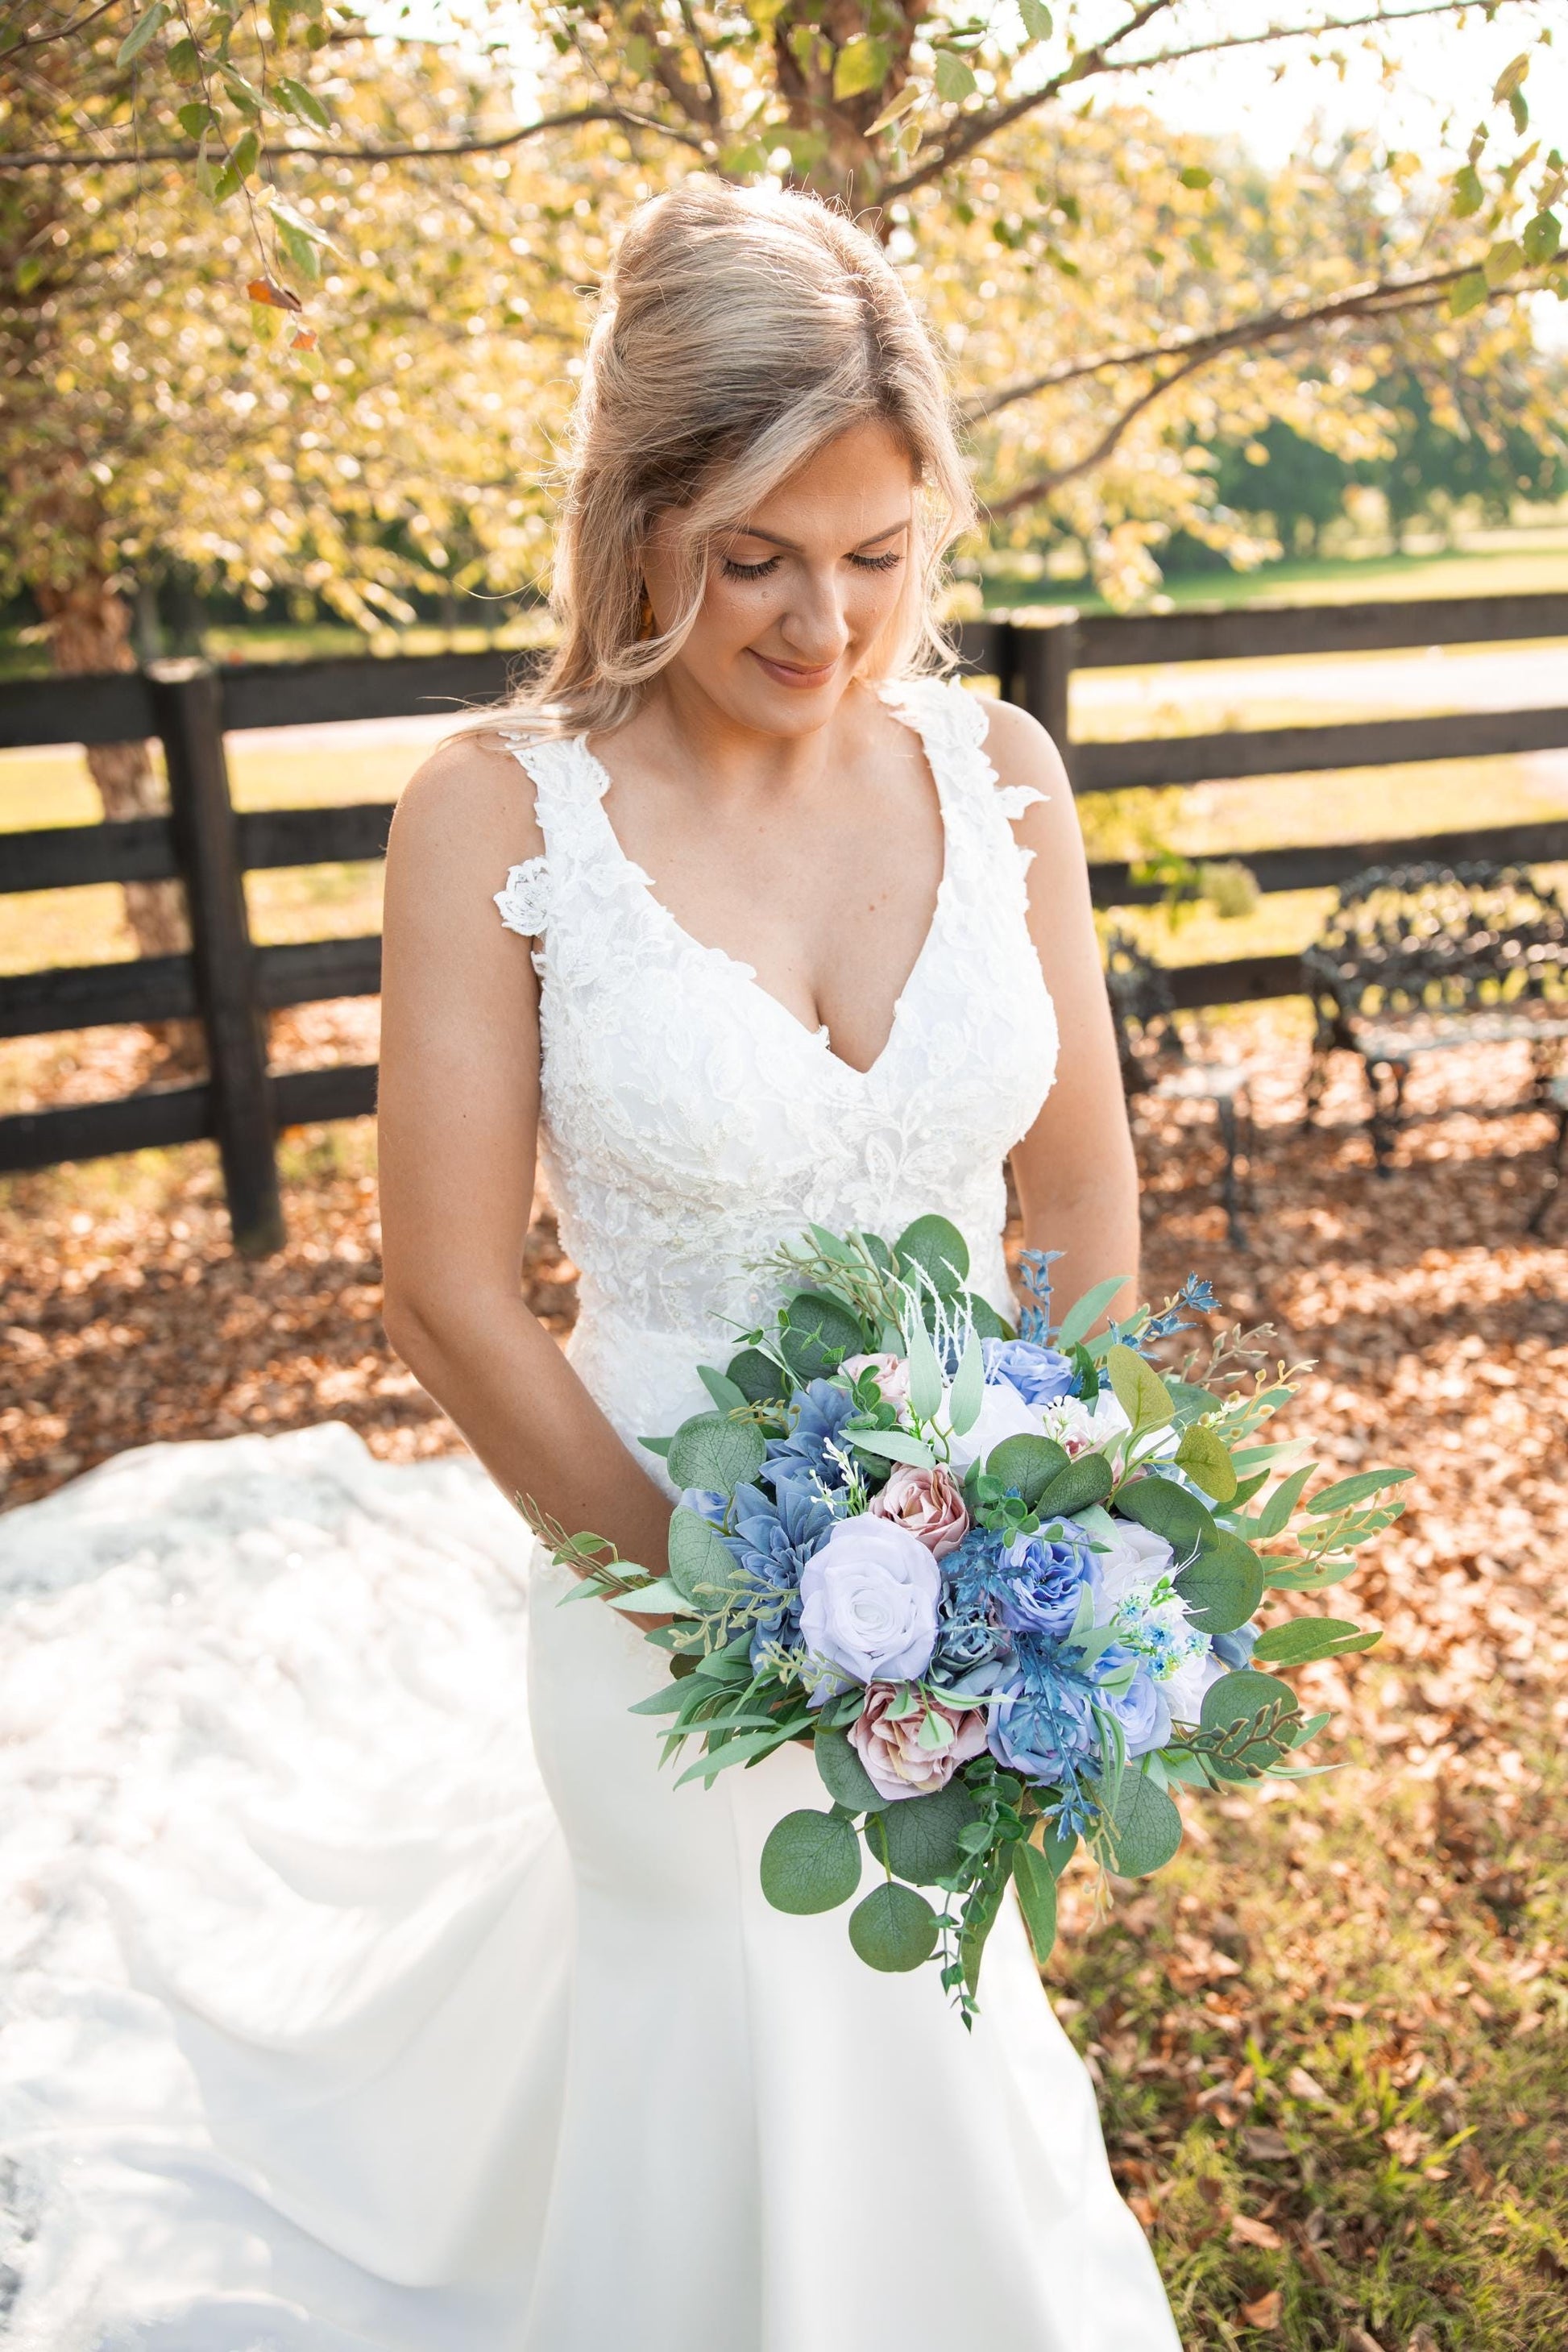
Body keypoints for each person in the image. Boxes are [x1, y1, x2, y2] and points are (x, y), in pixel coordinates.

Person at [0, 184, 1178, 2350]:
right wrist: (755, 1628)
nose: (825, 622)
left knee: (921, 2021)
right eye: (754, 555)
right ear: (634, 517)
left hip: (966, 1574)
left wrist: (1033, 1536)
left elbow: (1075, 1207)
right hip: (649, 1581)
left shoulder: (996, 770)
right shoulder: (496, 811)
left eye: (878, 554)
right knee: (753, 1974)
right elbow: (448, 1295)